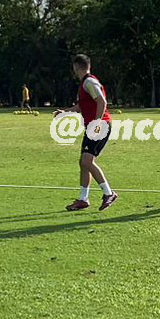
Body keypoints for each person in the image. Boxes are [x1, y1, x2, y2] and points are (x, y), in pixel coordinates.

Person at [57, 54, 117, 211]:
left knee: (87, 161)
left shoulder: (89, 82)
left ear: (76, 67)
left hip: (99, 125)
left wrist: (97, 122)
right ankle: (83, 199)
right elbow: (80, 107)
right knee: (83, 162)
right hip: (94, 126)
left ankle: (108, 193)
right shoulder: (85, 83)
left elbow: (102, 101)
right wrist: (65, 112)